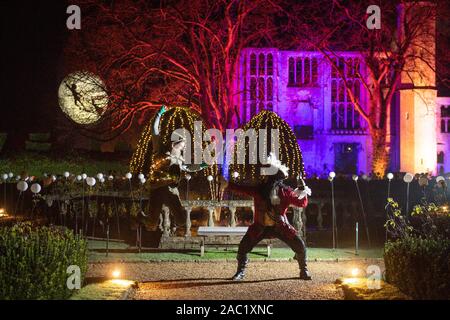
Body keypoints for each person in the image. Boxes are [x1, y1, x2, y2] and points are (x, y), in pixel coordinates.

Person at [225, 153, 312, 280]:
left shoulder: (285, 192)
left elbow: (301, 203)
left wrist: (302, 190)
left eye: (268, 176)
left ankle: (303, 271)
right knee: (243, 247)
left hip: (280, 227)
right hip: (260, 227)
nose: (265, 178)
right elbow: (242, 188)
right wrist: (228, 184)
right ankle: (240, 272)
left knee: (300, 246)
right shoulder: (259, 190)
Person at [141, 106, 206, 231]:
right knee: (151, 224)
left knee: (181, 220)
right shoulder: (160, 148)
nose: (182, 147)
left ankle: (171, 225)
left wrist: (203, 164)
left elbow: (191, 167)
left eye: (183, 146)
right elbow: (154, 130)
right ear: (173, 143)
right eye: (180, 144)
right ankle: (141, 217)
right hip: (158, 189)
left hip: (172, 191)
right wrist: (159, 114)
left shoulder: (180, 160)